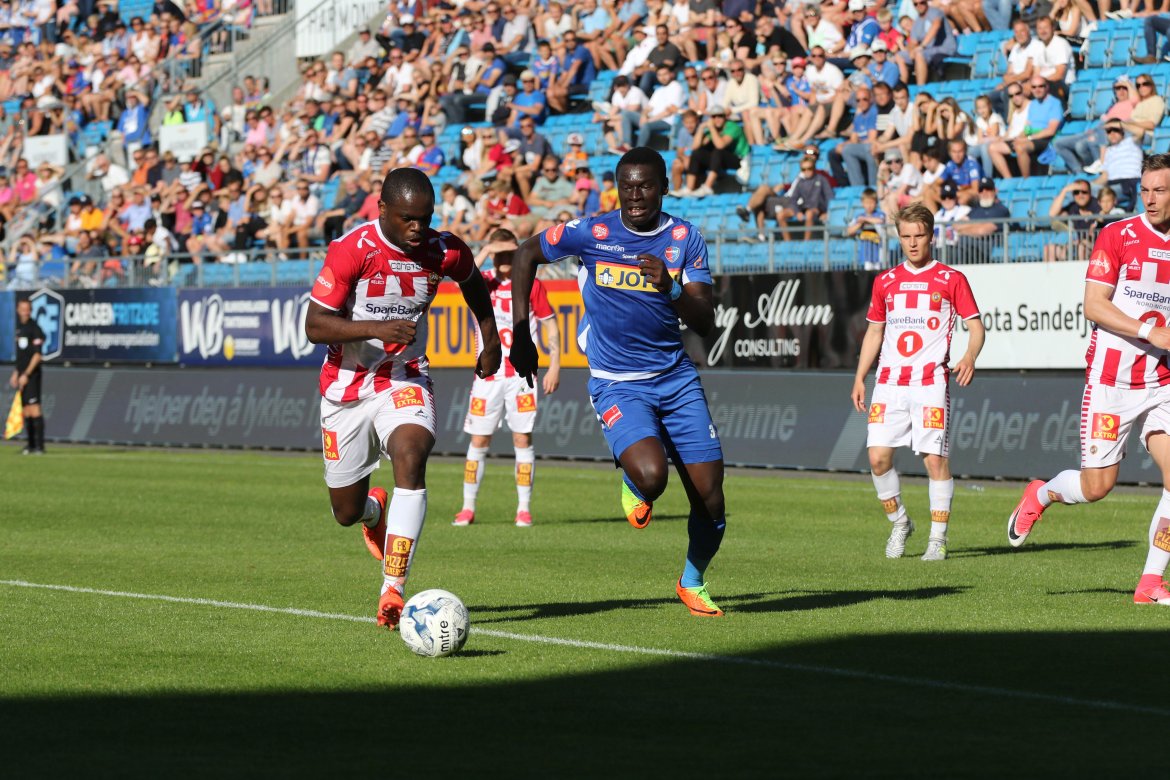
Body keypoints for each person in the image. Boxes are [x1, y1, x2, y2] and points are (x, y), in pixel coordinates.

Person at [508, 147, 728, 618]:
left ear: (664, 186)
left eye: (646, 185)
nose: (635, 196)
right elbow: (525, 253)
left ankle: (692, 582)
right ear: (617, 188)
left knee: (711, 499)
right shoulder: (594, 231)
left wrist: (669, 288)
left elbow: (706, 322)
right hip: (617, 382)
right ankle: (634, 480)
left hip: (676, 379)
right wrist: (522, 332)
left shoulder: (685, 238)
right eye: (627, 186)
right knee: (653, 477)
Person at [303, 167, 503, 631]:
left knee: (412, 455)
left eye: (426, 218)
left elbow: (474, 283)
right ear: (384, 210)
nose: (419, 228)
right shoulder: (352, 250)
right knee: (345, 512)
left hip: (405, 377)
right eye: (409, 219)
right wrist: (375, 328)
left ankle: (392, 588)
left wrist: (489, 339)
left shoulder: (443, 249)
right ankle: (374, 511)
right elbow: (315, 326)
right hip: (346, 389)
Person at [1006, 154, 1170, 605]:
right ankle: (1042, 493)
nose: (1151, 198)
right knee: (1097, 487)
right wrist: (1148, 330)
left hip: (1163, 379)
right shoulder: (1118, 235)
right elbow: (1093, 306)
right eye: (1146, 189)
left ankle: (1150, 582)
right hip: (1112, 380)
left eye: (1161, 190)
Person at [851, 203, 985, 561]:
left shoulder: (951, 279)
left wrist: (969, 356)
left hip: (930, 384)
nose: (912, 243)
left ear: (931, 236)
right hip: (889, 383)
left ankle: (937, 539)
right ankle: (900, 523)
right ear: (899, 237)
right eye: (906, 236)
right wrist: (860, 376)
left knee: (934, 462)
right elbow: (874, 331)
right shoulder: (886, 281)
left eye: (919, 236)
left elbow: (976, 327)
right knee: (878, 458)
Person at [455, 229, 561, 528]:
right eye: (498, 253)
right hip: (488, 375)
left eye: (508, 253)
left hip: (521, 376)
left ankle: (524, 509)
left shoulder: (531, 284)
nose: (503, 259)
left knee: (522, 438)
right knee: (479, 440)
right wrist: (487, 248)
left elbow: (550, 326)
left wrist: (555, 364)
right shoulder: (483, 282)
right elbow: (463, 276)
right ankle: (467, 507)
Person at [10, 299, 46, 455]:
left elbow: (37, 356)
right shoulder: (20, 329)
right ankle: (30, 445)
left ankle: (39, 446)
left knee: (34, 408)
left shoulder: (35, 329)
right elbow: (22, 355)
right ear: (18, 310)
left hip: (32, 375)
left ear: (30, 310)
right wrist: (16, 372)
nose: (25, 312)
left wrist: (26, 374)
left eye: (28, 309)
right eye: (22, 309)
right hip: (22, 374)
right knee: (25, 410)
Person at [845, 187, 885, 270]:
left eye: (872, 202)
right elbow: (849, 231)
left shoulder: (879, 214)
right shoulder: (859, 217)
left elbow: (880, 221)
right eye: (867, 203)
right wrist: (860, 224)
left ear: (876, 203)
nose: (869, 205)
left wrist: (865, 219)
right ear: (862, 203)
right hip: (866, 255)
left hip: (879, 253)